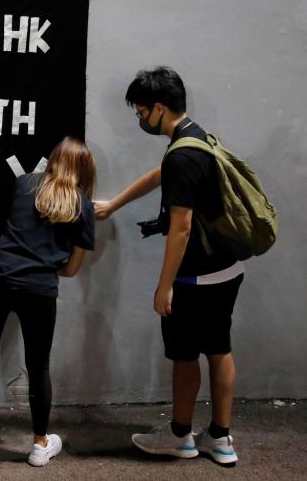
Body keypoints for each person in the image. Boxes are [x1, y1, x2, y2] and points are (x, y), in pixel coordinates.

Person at [94, 66, 244, 466]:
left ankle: (180, 436)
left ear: (159, 108)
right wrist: (115, 203)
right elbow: (162, 174)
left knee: (184, 355)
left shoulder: (182, 154)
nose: (140, 119)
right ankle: (221, 438)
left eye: (142, 112)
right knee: (219, 349)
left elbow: (181, 227)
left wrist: (165, 287)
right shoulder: (198, 138)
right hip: (227, 268)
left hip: (195, 276)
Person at [0, 136, 96, 468]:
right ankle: (40, 445)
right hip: (39, 290)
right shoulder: (83, 207)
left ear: (53, 159)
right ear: (85, 168)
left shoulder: (26, 183)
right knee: (38, 367)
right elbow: (71, 270)